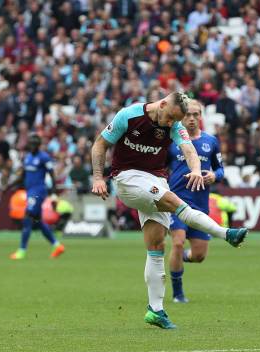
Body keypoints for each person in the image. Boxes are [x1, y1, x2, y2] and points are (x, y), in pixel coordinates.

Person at [91, 92, 248, 330]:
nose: (170, 124)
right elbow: (100, 144)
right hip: (127, 178)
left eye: (175, 120)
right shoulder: (129, 115)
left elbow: (189, 150)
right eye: (169, 118)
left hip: (155, 180)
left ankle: (155, 311)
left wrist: (195, 169)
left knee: (156, 246)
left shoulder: (174, 123)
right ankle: (226, 234)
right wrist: (98, 177)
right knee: (175, 202)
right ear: (162, 104)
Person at [167, 100, 225, 303]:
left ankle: (178, 260)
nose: (191, 119)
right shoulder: (171, 142)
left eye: (196, 114)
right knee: (178, 242)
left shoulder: (211, 141)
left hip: (200, 204)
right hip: (176, 202)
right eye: (188, 115)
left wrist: (214, 176)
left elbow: (220, 169)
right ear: (181, 116)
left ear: (201, 116)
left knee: (199, 256)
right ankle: (177, 293)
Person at [3, 134, 65, 260]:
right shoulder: (27, 158)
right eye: (29, 144)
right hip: (30, 192)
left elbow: (52, 176)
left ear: (37, 145)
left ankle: (21, 251)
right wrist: (8, 186)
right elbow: (22, 176)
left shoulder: (44, 158)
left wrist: (53, 194)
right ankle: (57, 245)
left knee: (27, 217)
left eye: (32, 144)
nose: (30, 147)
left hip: (38, 192)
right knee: (38, 221)